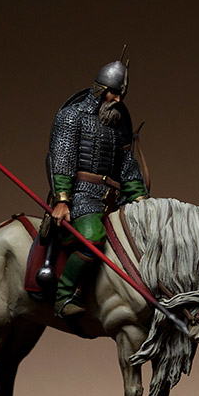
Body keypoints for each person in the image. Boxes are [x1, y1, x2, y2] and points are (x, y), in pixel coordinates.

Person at [40, 57, 149, 318]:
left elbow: (126, 163)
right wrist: (62, 200)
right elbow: (62, 158)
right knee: (91, 239)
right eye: (114, 93)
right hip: (81, 196)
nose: (118, 100)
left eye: (121, 95)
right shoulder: (72, 117)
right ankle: (64, 296)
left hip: (113, 198)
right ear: (100, 89)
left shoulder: (119, 125)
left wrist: (139, 197)